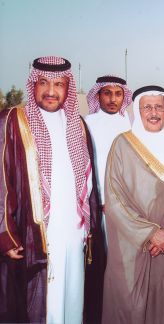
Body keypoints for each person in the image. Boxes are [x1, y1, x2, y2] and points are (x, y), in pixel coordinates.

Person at [0, 56, 105, 323]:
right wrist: (6, 235)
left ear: (67, 88)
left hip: (74, 233)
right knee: (40, 306)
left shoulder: (78, 125)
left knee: (72, 302)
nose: (51, 91)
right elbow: (1, 183)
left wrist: (89, 231)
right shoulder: (13, 121)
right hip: (33, 236)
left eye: (59, 84)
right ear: (33, 84)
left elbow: (89, 185)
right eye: (44, 82)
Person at [102, 85, 164, 323]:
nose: (153, 112)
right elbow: (114, 200)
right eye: (147, 107)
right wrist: (152, 234)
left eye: (159, 107)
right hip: (138, 246)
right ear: (138, 111)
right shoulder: (122, 146)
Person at [85, 75, 132, 247]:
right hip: (98, 201)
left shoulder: (132, 124)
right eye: (107, 93)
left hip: (129, 203)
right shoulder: (87, 124)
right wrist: (101, 200)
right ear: (98, 95)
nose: (113, 99)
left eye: (118, 94)